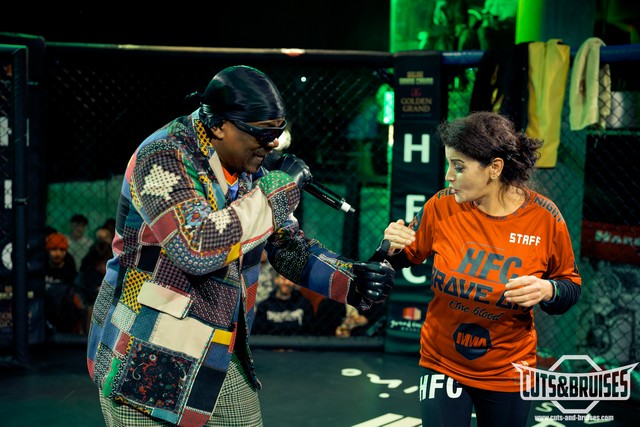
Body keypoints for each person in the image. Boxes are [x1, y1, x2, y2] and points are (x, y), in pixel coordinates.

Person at [86, 64, 394, 427]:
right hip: (144, 347)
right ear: (219, 125)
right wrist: (277, 191)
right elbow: (196, 246)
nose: (274, 143)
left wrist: (352, 280)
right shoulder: (163, 156)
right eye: (264, 133)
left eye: (277, 131)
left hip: (217, 345)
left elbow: (287, 246)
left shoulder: (249, 169)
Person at [371, 111, 582, 427]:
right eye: (448, 165)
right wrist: (388, 248)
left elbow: (570, 286)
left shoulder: (545, 218)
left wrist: (547, 289)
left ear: (494, 168)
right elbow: (391, 264)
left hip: (508, 370)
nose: (448, 176)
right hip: (442, 362)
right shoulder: (441, 207)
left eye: (458, 167)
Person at [44, 232, 83, 335]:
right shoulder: (42, 266)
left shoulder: (70, 269)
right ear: (47, 250)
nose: (58, 253)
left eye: (62, 250)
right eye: (54, 249)